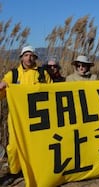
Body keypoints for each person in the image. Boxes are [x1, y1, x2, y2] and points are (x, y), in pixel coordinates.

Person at [0, 46, 53, 186]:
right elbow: (2, 93)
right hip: (17, 118)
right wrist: (2, 87)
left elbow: (53, 92)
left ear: (35, 58)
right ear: (21, 57)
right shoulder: (13, 75)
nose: (29, 58)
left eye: (31, 55)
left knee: (38, 144)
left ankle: (37, 169)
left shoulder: (42, 73)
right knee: (13, 146)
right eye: (26, 55)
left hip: (39, 117)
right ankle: (13, 172)